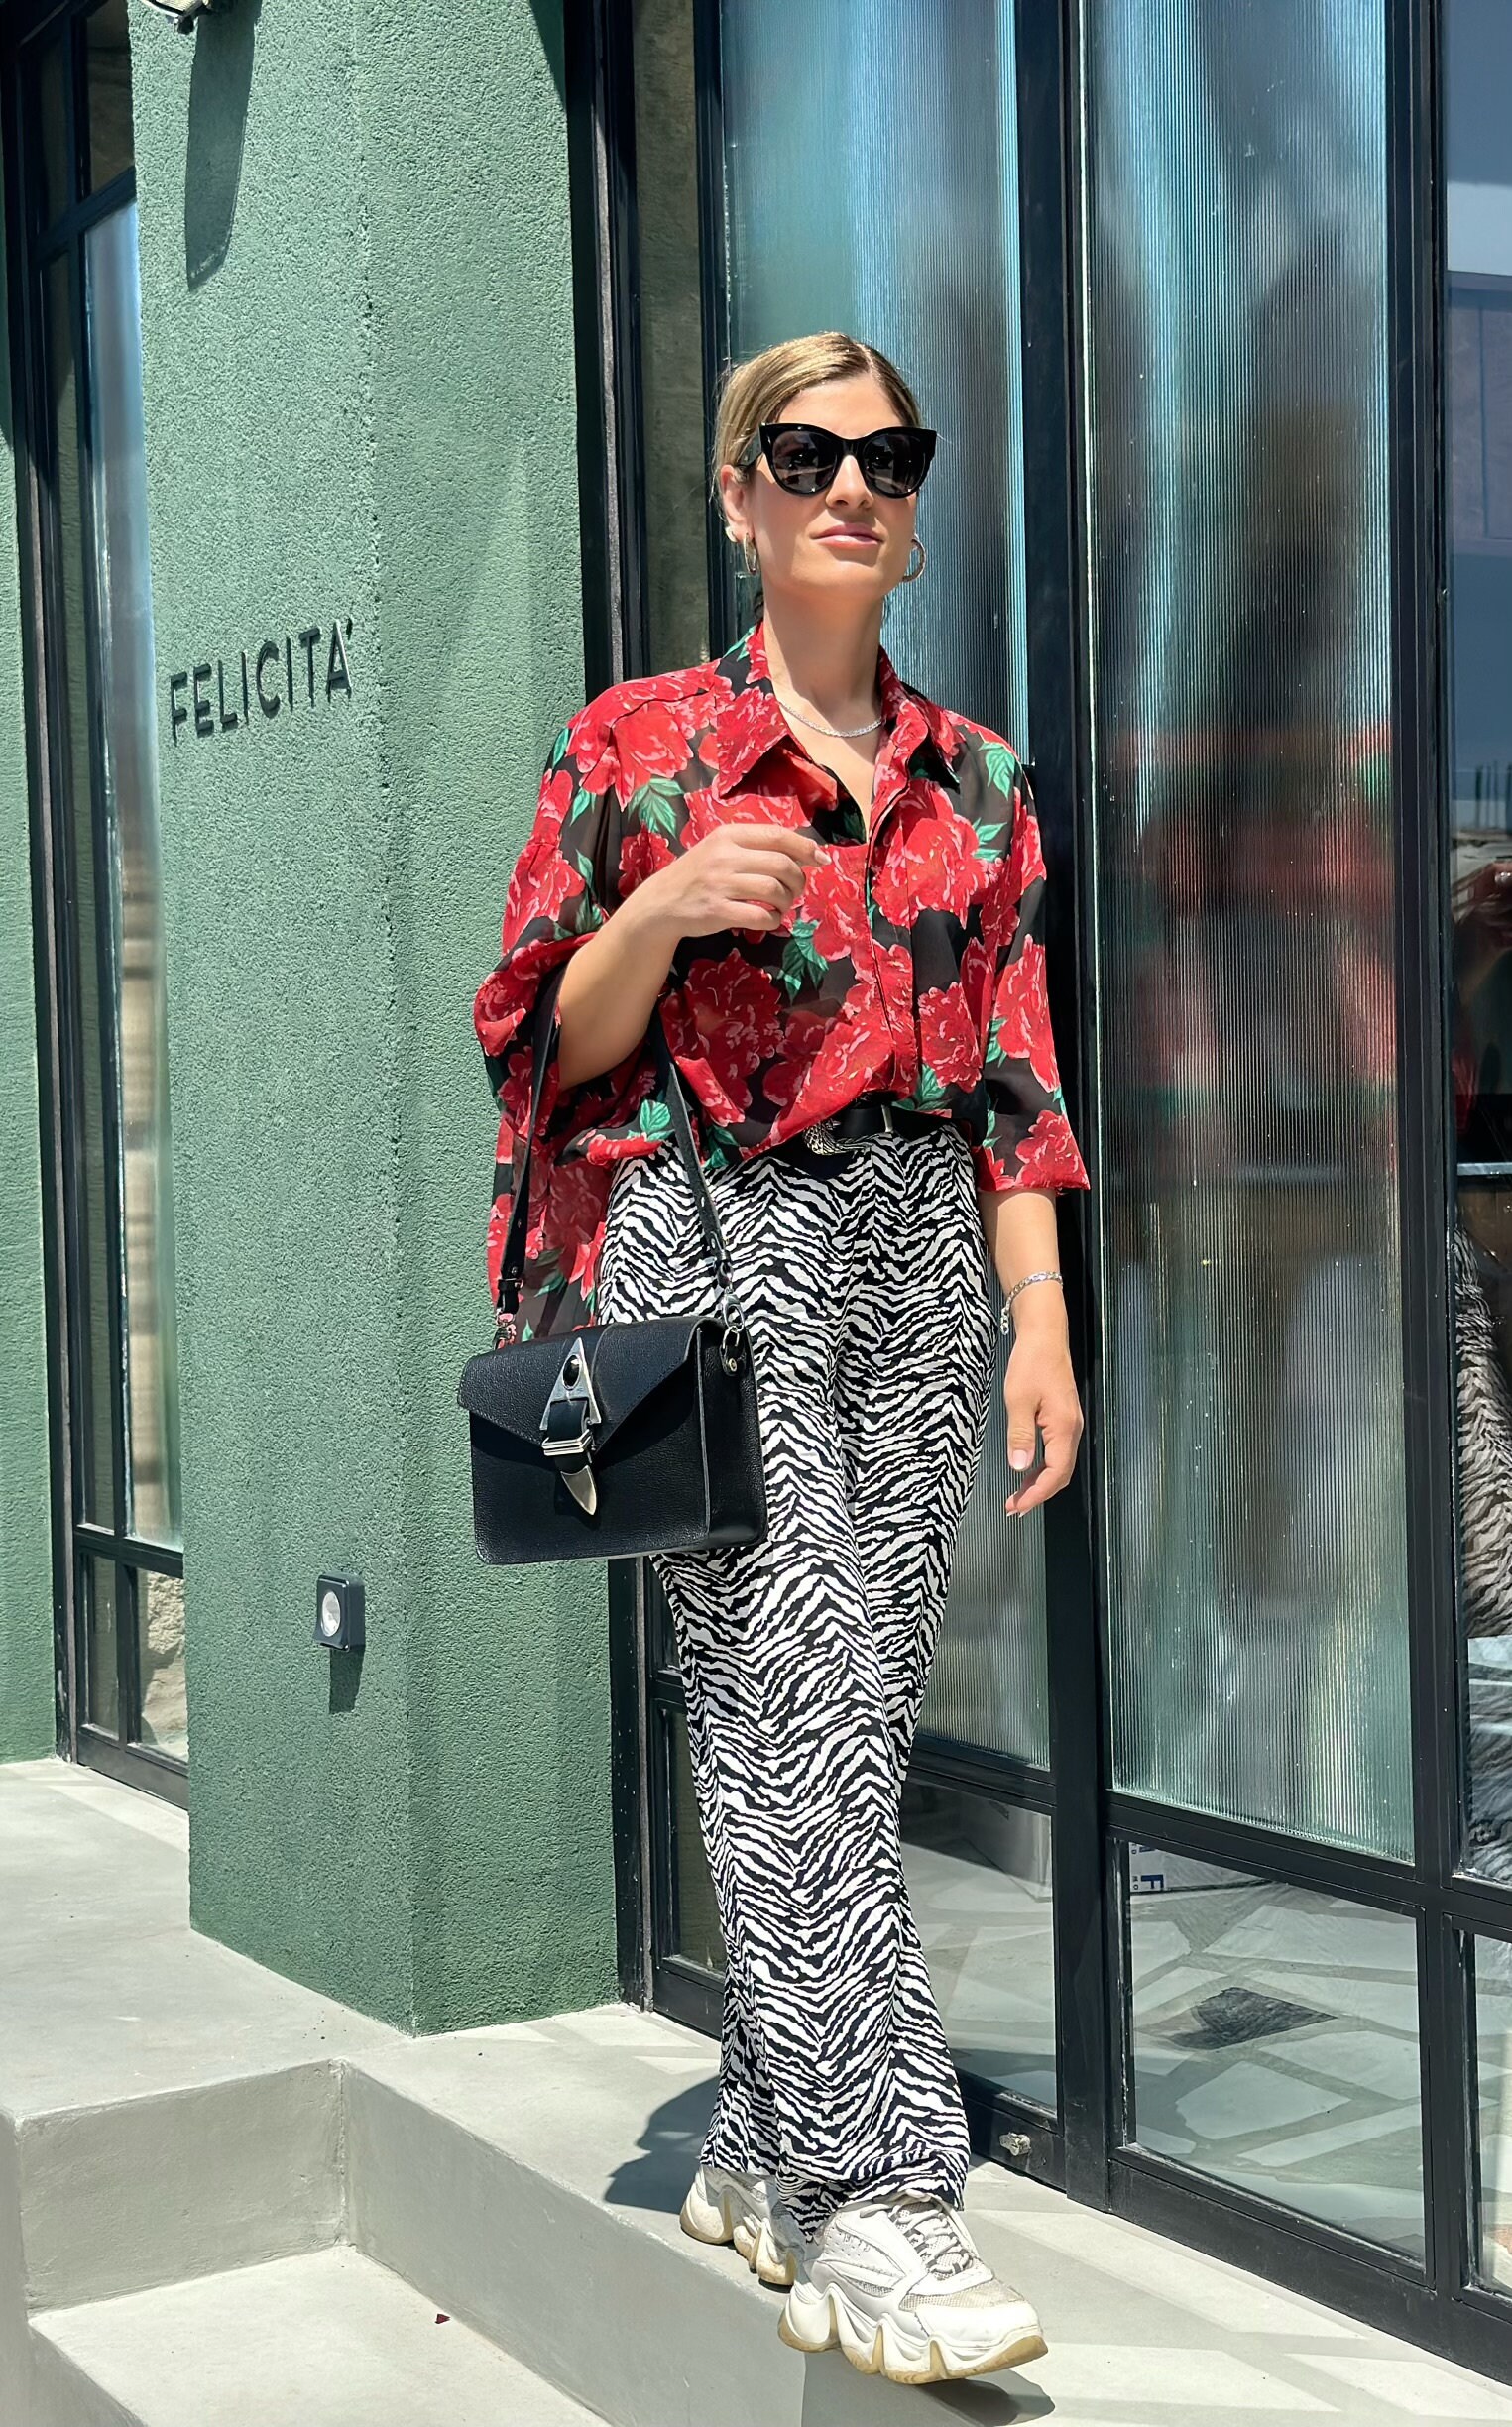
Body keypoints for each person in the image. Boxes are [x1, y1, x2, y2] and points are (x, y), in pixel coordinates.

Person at [473, 329, 1090, 2386]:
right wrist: (656, 911)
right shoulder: (639, 744)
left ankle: (752, 2141)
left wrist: (1037, 1318)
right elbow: (538, 1042)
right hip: (714, 1234)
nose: (852, 488)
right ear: (738, 493)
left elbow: (1014, 1077)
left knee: (842, 1720)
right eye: (806, 453)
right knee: (790, 1701)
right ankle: (878, 2200)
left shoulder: (979, 779)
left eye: (888, 457)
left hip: (919, 1254)